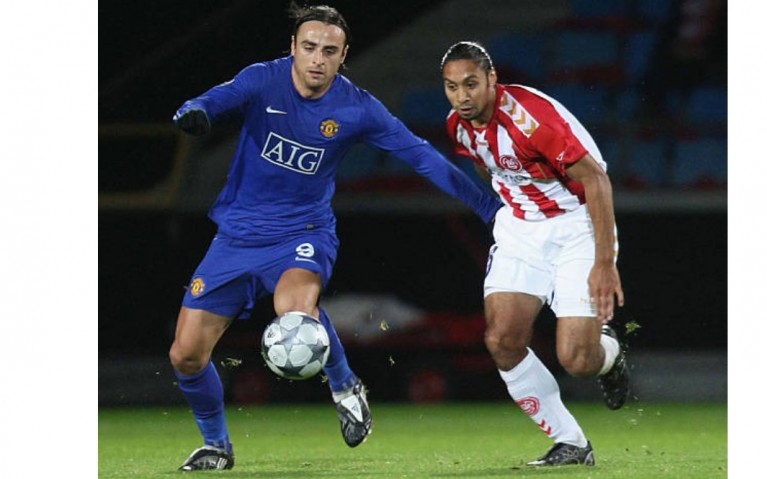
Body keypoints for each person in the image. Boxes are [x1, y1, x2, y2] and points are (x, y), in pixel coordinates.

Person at [168, 5, 501, 472]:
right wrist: (194, 113)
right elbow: (211, 100)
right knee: (185, 354)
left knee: (295, 311)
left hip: (303, 234)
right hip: (236, 238)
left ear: (343, 56)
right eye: (308, 48)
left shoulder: (357, 107)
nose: (317, 59)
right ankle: (215, 446)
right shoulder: (263, 80)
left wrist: (488, 208)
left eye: (329, 50)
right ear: (293, 49)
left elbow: (421, 156)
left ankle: (344, 385)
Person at [439, 41, 630, 467]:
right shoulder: (458, 126)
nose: (462, 96)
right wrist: (515, 206)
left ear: (492, 79)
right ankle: (572, 442)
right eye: (452, 87)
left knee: (577, 359)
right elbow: (486, 167)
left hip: (577, 226)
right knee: (502, 340)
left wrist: (603, 262)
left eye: (471, 84)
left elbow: (597, 182)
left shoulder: (530, 120)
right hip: (522, 228)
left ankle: (609, 356)